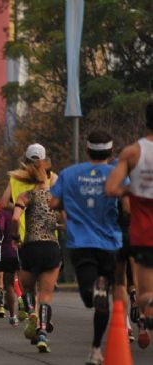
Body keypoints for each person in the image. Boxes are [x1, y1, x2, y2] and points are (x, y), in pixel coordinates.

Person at [51, 130, 125, 363]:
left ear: (87, 149)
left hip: (81, 242)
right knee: (103, 300)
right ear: (111, 151)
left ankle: (95, 290)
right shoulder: (118, 173)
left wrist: (69, 203)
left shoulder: (69, 174)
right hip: (111, 243)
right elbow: (129, 203)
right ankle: (95, 349)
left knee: (88, 297)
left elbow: (52, 202)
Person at [106, 100, 153, 350]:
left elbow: (112, 189)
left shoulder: (132, 152)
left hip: (144, 231)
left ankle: (146, 315)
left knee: (144, 292)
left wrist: (131, 188)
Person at [12, 158, 61, 353]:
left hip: (30, 248)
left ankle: (31, 311)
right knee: (46, 295)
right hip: (51, 248)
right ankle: (42, 333)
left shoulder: (25, 196)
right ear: (49, 178)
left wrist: (16, 236)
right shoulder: (56, 199)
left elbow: (15, 218)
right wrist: (58, 226)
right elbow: (65, 219)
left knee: (28, 289)